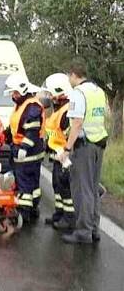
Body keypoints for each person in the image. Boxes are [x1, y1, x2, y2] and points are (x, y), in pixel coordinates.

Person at [59, 60, 109, 244]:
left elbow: (77, 123)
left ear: (73, 75)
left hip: (84, 146)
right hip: (99, 144)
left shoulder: (78, 93)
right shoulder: (98, 91)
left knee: (83, 190)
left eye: (69, 76)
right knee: (94, 189)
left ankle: (83, 232)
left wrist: (66, 149)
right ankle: (94, 229)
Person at [4, 73, 46, 225]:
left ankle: (24, 213)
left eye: (15, 92)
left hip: (28, 153)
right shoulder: (23, 105)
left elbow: (32, 130)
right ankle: (33, 209)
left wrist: (24, 147)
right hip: (28, 152)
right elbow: (16, 127)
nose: (13, 96)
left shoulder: (32, 107)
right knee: (33, 185)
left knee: (25, 184)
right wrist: (4, 135)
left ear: (22, 90)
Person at [43, 73, 76, 230]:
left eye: (51, 93)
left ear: (60, 92)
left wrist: (66, 154)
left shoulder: (66, 112)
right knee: (57, 185)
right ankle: (59, 213)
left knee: (64, 187)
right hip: (57, 156)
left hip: (65, 157)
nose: (49, 97)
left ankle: (69, 218)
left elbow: (69, 135)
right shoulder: (58, 110)